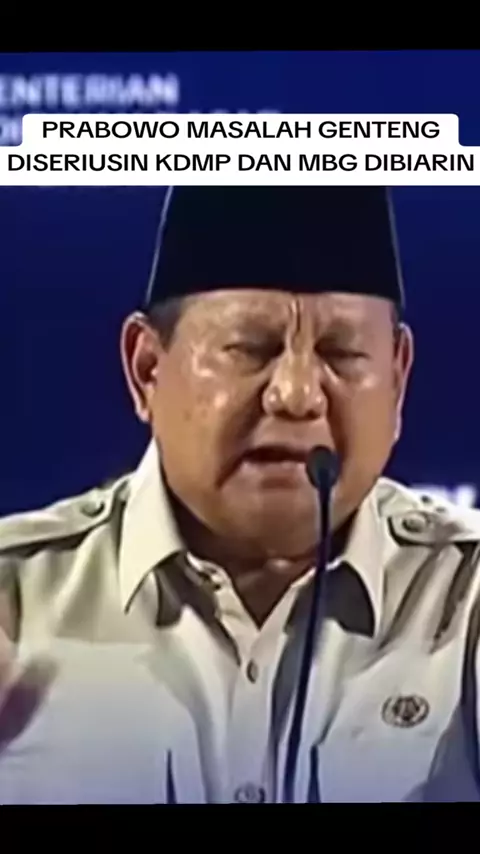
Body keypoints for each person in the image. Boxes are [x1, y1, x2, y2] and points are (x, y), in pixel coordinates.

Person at [1, 184, 480, 804]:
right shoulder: (17, 599)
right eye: (249, 350)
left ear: (398, 378)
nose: (297, 394)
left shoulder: (465, 597)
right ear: (147, 369)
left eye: (342, 354)